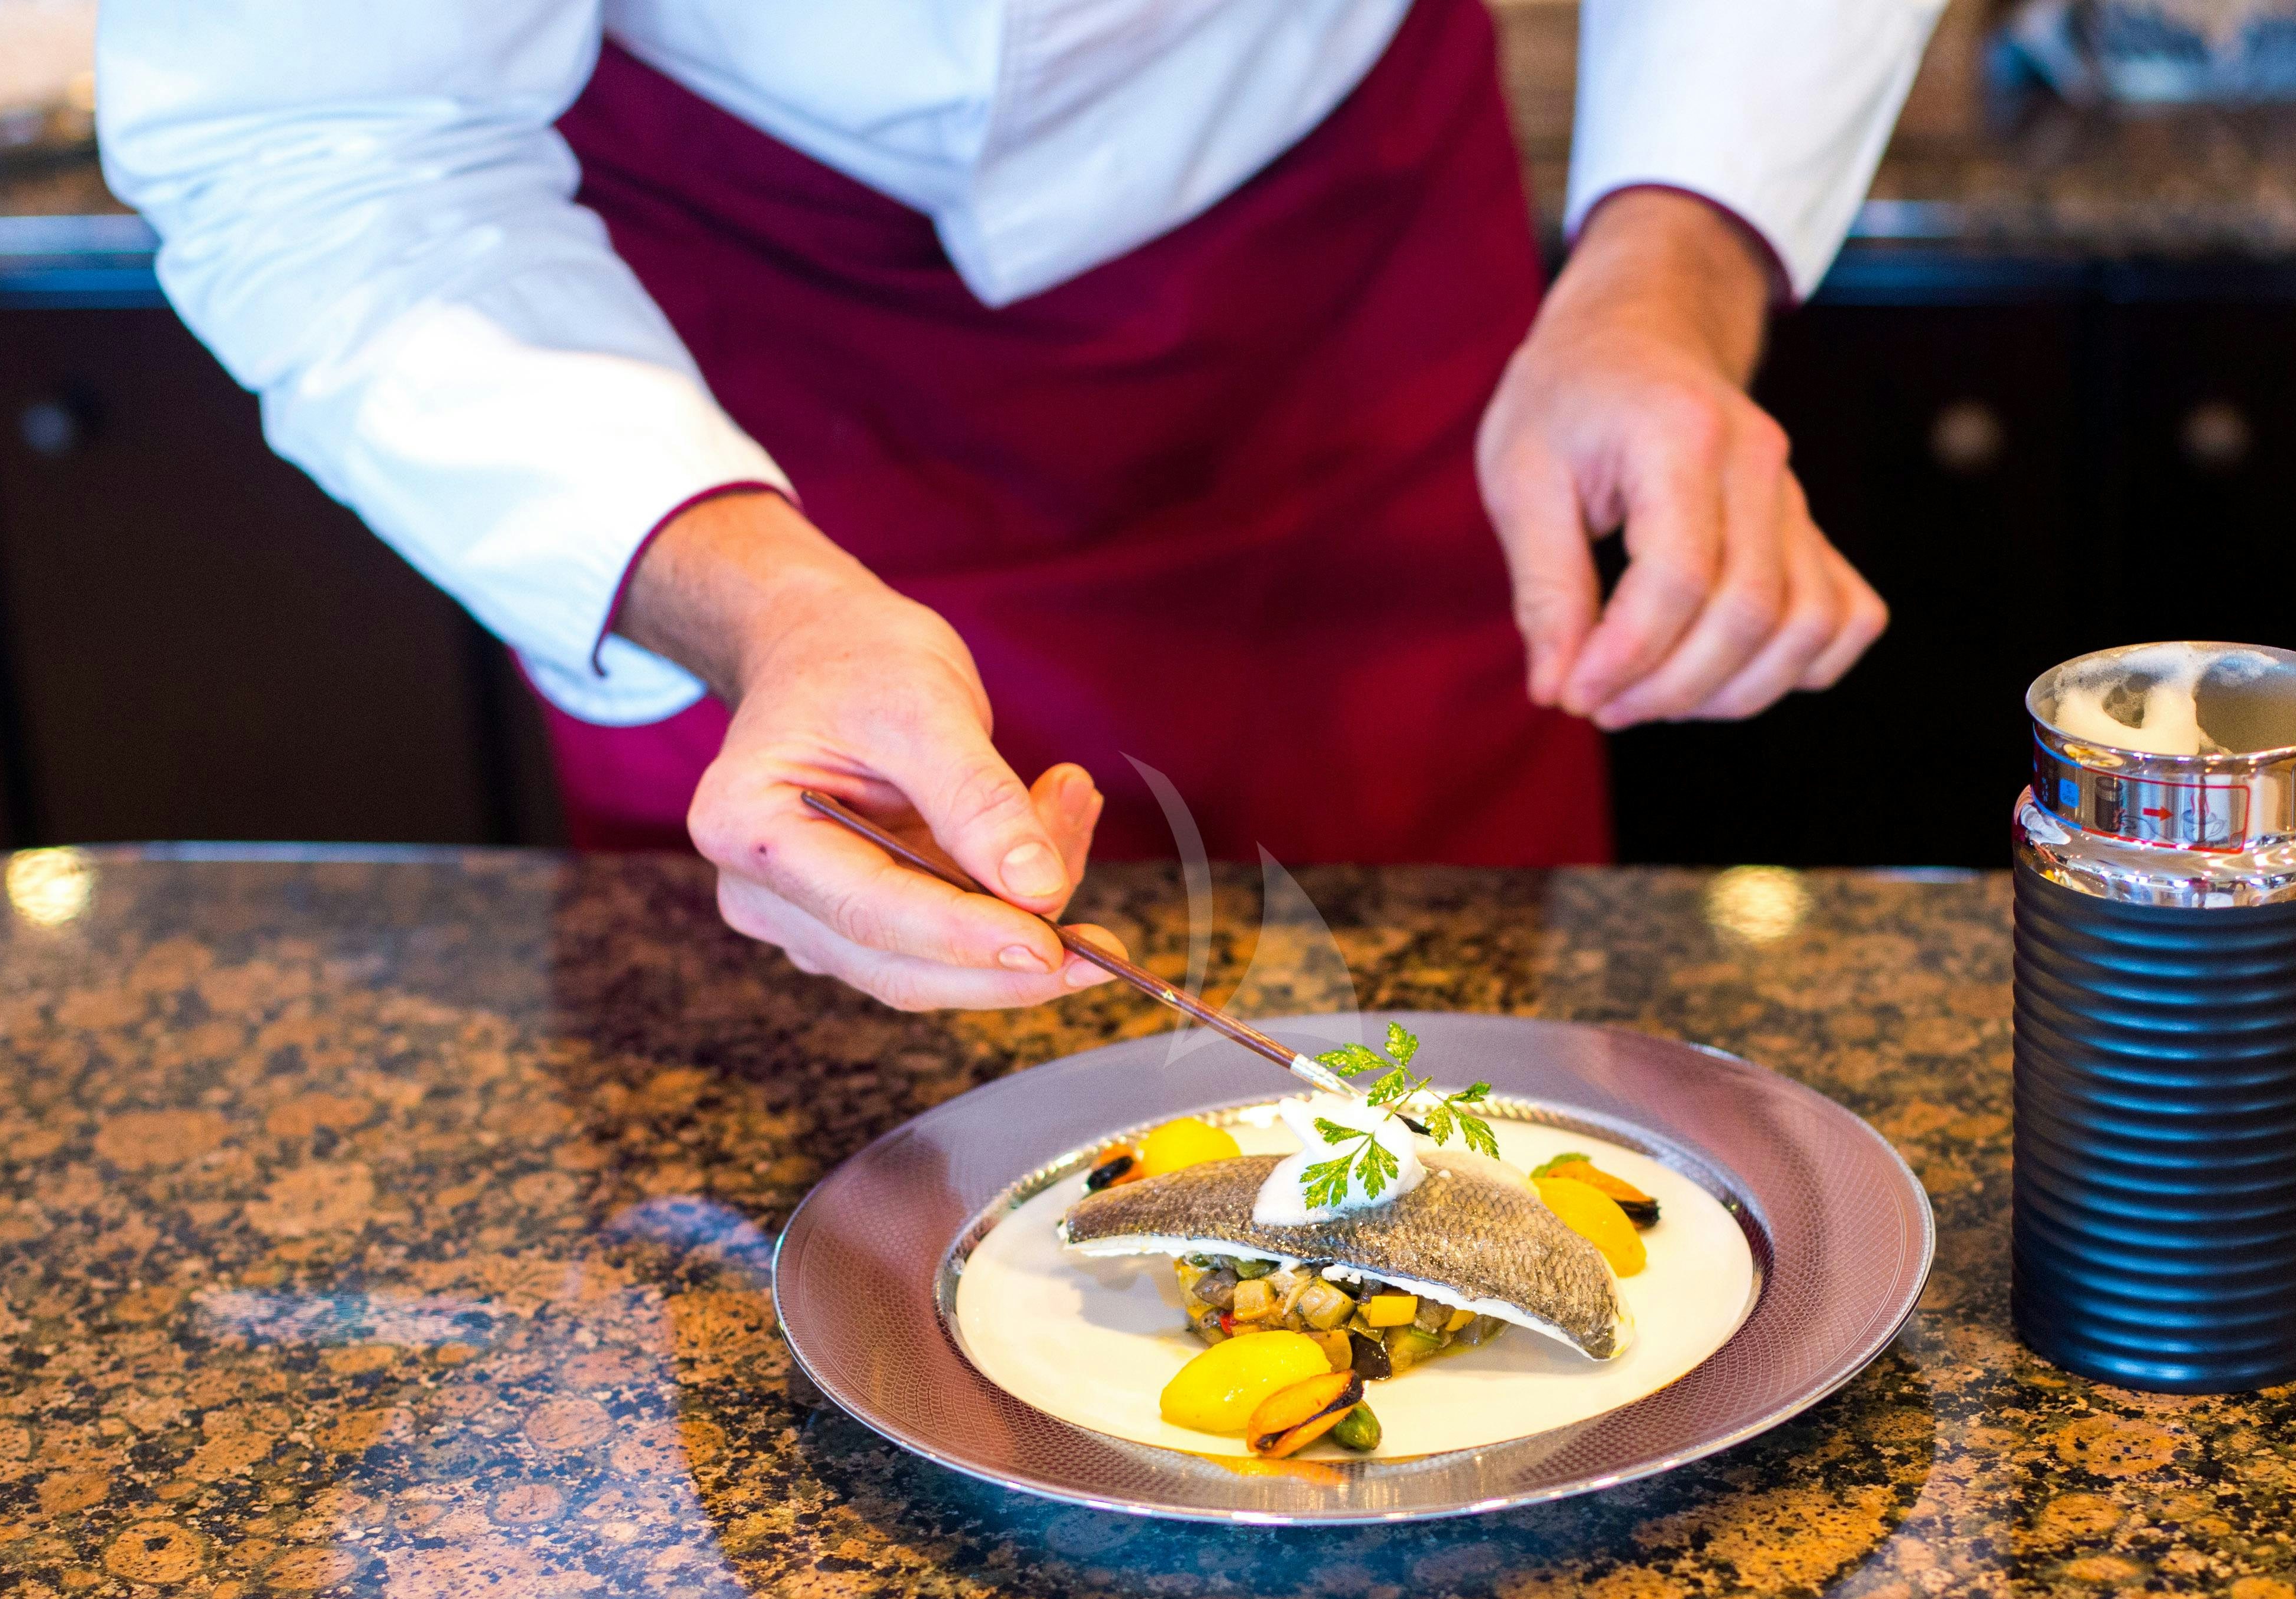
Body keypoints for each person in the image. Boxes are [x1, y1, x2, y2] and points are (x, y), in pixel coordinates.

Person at [99, 0, 1935, 1011]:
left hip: (1347, 272)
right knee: (812, 1181)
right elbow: (324, 145)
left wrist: (1666, 275)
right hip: (720, 362)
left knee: (1462, 1075)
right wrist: (750, 602)